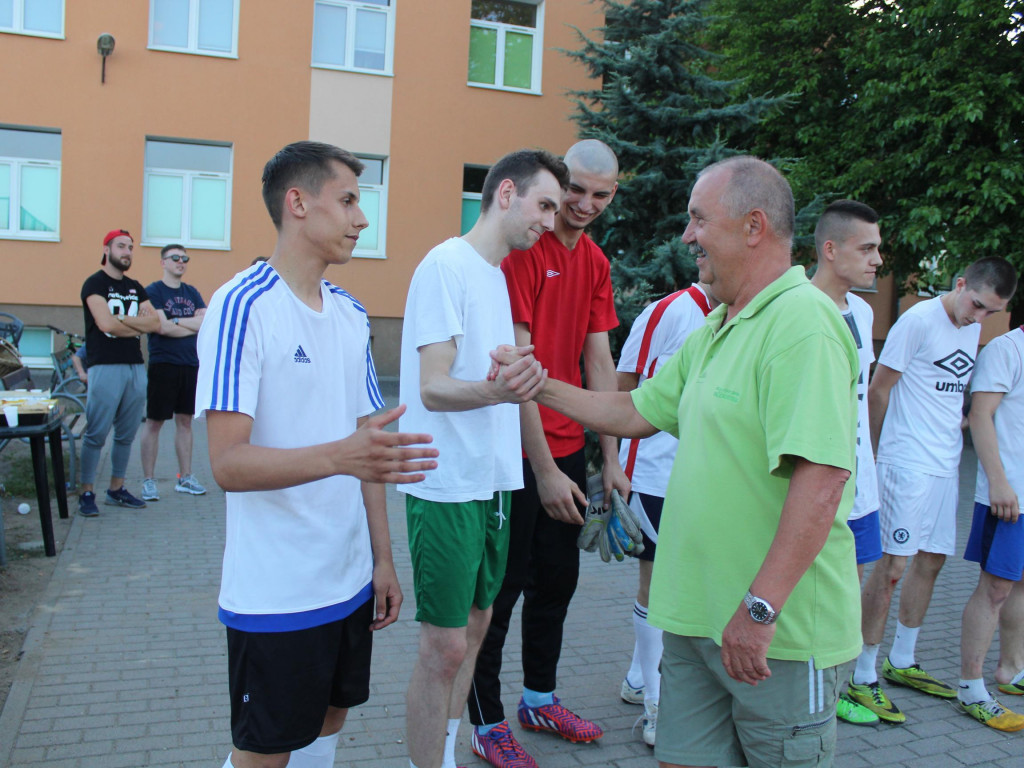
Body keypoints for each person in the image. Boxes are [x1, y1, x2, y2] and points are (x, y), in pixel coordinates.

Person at [504, 156, 862, 767]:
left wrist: (760, 609)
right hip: (696, 623)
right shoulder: (721, 323)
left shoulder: (804, 326)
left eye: (699, 219)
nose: (687, 236)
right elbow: (634, 410)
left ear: (753, 227)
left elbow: (823, 481)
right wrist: (534, 383)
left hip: (775, 638)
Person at [195, 141, 439, 768]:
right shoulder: (241, 306)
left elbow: (368, 454)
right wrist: (341, 455)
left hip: (349, 578)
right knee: (265, 752)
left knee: (329, 721)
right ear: (298, 203)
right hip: (277, 590)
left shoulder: (352, 315)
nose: (362, 219)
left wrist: (382, 561)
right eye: (349, 200)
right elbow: (227, 465)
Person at [399, 149, 566, 768]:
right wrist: (501, 389)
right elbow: (433, 388)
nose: (550, 221)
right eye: (544, 205)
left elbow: (491, 374)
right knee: (442, 647)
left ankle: (444, 754)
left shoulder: (495, 276)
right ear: (506, 193)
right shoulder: (446, 265)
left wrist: (513, 373)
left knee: (473, 633)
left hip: (493, 484)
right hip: (445, 483)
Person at [468, 139, 626, 766]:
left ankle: (539, 699)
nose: (584, 205)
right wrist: (543, 472)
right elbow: (518, 369)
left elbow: (599, 362)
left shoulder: (595, 261)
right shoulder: (524, 252)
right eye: (574, 191)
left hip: (564, 453)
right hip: (514, 453)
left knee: (557, 583)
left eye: (599, 195)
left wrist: (609, 458)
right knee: (501, 592)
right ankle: (485, 723)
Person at [856, 257, 1017, 722]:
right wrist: (872, 456)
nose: (979, 317)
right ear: (961, 284)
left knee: (931, 561)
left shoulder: (969, 327)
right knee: (892, 568)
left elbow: (949, 393)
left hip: (946, 465)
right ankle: (862, 674)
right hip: (905, 463)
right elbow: (879, 390)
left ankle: (902, 660)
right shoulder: (918, 320)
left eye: (992, 312)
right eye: (977, 305)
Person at [615, 281, 718, 747]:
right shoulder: (669, 311)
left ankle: (639, 677)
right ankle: (656, 706)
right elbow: (623, 389)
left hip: (707, 474)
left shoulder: (742, 313)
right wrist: (612, 465)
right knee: (656, 586)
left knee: (692, 581)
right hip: (655, 474)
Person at [809, 200, 886, 726]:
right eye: (868, 249)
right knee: (809, 584)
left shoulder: (862, 311)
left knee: (850, 583)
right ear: (831, 250)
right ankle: (804, 687)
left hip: (860, 478)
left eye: (878, 249)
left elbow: (859, 399)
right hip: (815, 479)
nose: (877, 260)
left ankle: (836, 685)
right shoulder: (797, 307)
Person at [956, 321, 1024, 731]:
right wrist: (998, 481)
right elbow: (980, 415)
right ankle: (970, 688)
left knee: (1020, 583)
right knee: (995, 588)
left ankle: (1011, 669)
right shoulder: (1006, 349)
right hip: (1008, 495)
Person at [78, 229, 161, 517]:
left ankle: (116, 489)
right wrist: (134, 322)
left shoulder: (135, 287)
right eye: (121, 246)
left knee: (126, 435)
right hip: (104, 366)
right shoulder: (94, 284)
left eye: (130, 247)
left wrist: (122, 319)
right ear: (107, 249)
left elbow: (155, 324)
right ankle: (87, 492)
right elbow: (105, 325)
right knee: (96, 434)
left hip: (135, 367)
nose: (127, 252)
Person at [140, 244, 207, 501]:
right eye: (176, 257)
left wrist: (176, 321)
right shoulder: (153, 291)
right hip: (164, 364)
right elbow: (161, 328)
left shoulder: (192, 292)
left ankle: (185, 477)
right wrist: (187, 324)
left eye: (185, 258)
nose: (181, 262)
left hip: (190, 364)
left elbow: (204, 323)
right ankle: (149, 481)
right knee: (154, 422)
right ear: (163, 262)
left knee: (185, 421)